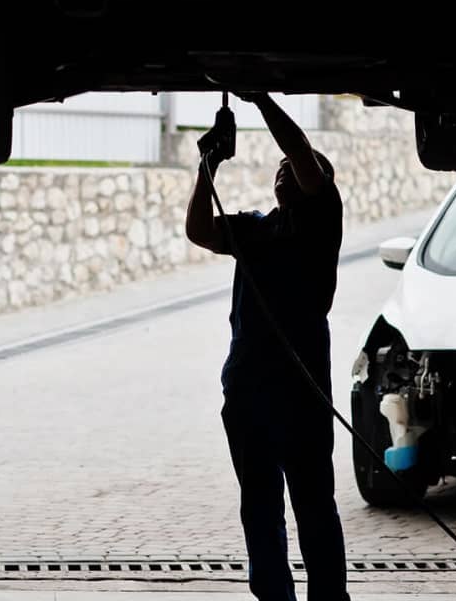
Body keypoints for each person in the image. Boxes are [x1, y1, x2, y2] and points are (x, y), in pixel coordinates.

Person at [185, 93, 349, 601]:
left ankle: (328, 597)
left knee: (313, 502)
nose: (285, 170)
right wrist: (205, 166)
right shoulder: (254, 228)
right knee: (259, 504)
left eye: (296, 169)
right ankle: (274, 596)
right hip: (248, 391)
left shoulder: (320, 223)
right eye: (278, 168)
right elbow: (197, 230)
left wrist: (258, 96)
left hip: (301, 393)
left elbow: (299, 150)